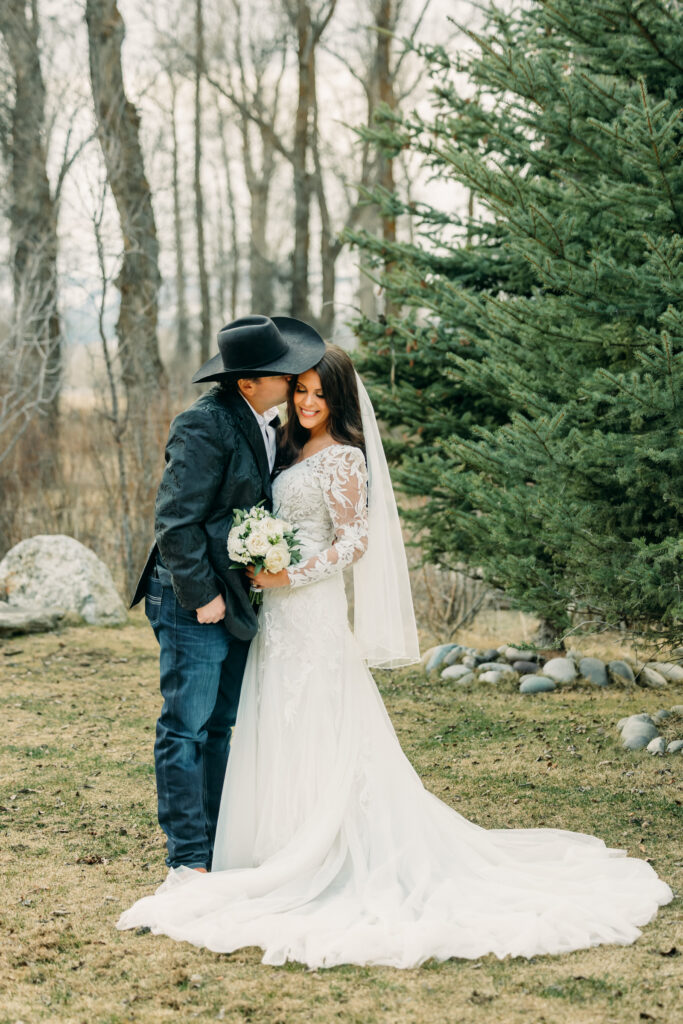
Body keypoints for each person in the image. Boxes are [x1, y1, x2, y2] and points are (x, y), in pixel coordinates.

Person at [119, 345, 672, 969]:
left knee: (303, 721)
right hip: (267, 616)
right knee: (258, 724)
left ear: (340, 399)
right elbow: (195, 515)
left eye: (317, 393)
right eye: (296, 388)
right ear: (262, 384)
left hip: (305, 608)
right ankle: (242, 847)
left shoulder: (343, 457)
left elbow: (354, 540)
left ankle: (319, 847)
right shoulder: (271, 438)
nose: (304, 401)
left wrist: (286, 574)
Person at [129, 314, 325, 874]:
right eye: (284, 375)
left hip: (234, 600)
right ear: (247, 382)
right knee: (185, 727)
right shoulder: (203, 425)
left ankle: (216, 844)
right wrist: (202, 596)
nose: (294, 382)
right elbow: (175, 522)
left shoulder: (269, 424)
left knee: (220, 725)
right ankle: (187, 857)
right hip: (194, 599)